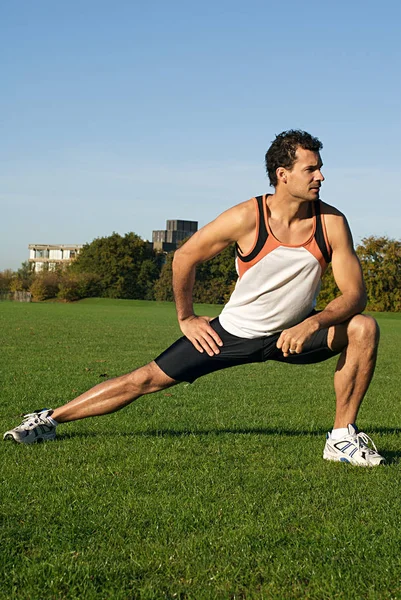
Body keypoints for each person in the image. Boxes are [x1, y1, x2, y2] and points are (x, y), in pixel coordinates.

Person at [4, 130, 385, 466]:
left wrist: (313, 322)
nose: (321, 176)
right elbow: (185, 256)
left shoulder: (331, 222)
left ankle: (341, 437)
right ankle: (49, 419)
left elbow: (355, 294)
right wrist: (187, 317)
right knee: (144, 380)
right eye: (311, 169)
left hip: (296, 335)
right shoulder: (246, 217)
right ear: (282, 175)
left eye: (320, 168)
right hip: (232, 334)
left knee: (363, 327)